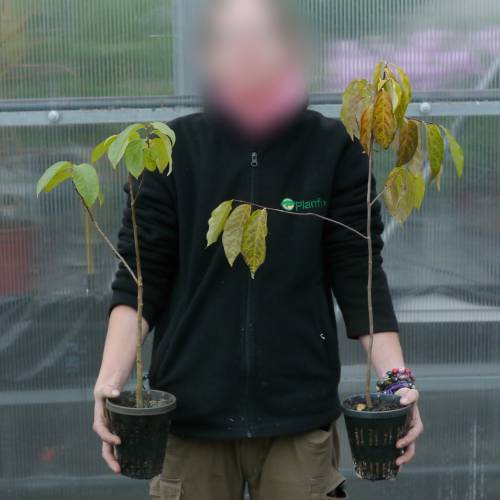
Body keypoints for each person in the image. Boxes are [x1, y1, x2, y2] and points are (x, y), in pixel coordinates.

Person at [93, 0, 424, 498]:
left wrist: (397, 382)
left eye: (261, 36)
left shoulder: (334, 149)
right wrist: (109, 382)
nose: (246, 51)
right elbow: (140, 279)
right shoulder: (168, 150)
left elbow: (360, 275)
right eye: (230, 38)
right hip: (188, 418)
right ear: (210, 54)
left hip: (298, 418)